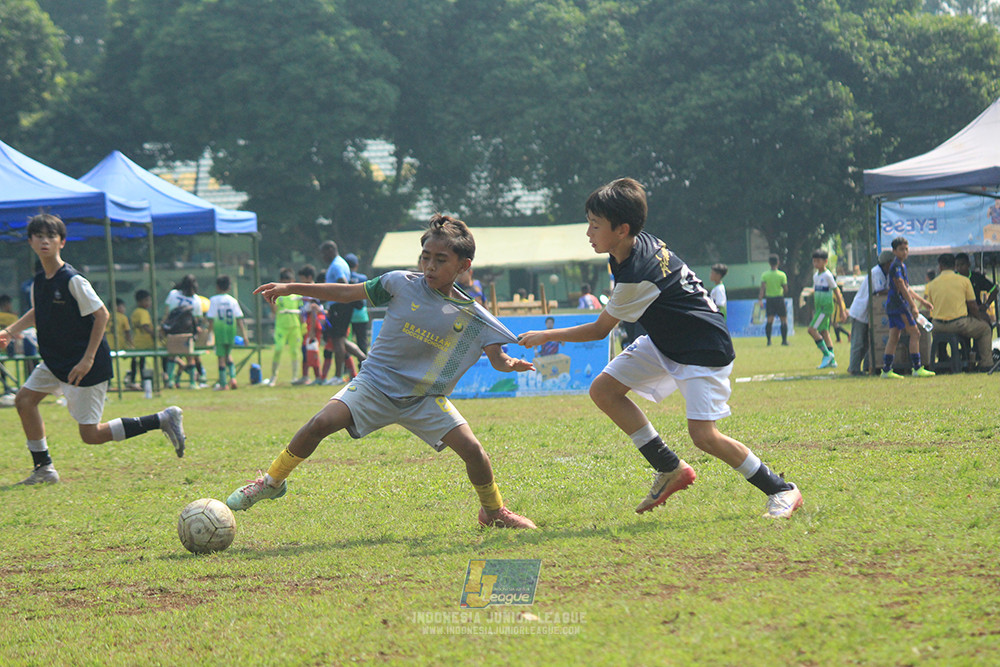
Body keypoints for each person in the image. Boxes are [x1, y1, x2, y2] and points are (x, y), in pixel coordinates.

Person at [226, 214, 538, 529]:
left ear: (463, 265)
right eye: (425, 257)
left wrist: (512, 364)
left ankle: (494, 512)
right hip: (374, 384)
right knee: (319, 424)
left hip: (423, 397)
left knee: (474, 452)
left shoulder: (475, 317)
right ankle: (272, 482)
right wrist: (292, 287)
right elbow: (347, 293)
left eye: (440, 260)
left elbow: (498, 358)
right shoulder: (399, 283)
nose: (429, 265)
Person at [518, 178, 803, 519]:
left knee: (704, 436)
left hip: (702, 348)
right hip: (666, 341)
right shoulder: (631, 247)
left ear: (622, 229)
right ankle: (670, 467)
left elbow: (598, 331)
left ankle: (781, 489)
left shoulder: (637, 273)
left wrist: (546, 335)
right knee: (605, 390)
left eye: (595, 226)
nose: (588, 233)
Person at [0, 214, 186, 485]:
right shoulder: (40, 281)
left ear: (62, 242)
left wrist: (87, 359)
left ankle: (162, 418)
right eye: (39, 235)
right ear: (30, 241)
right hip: (56, 361)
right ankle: (44, 469)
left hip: (84, 363)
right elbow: (39, 312)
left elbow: (102, 315)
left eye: (51, 236)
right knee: (24, 401)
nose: (45, 241)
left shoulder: (72, 279)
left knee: (91, 435)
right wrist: (8, 332)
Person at [925, 253, 994, 372]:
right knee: (985, 329)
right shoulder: (964, 281)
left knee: (939, 335)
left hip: (937, 326)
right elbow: (972, 305)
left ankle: (942, 360)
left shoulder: (931, 284)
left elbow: (928, 307)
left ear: (940, 266)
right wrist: (979, 318)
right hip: (959, 324)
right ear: (954, 266)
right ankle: (986, 364)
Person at [881, 237, 935, 378]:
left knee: (894, 336)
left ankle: (886, 370)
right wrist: (912, 306)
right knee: (915, 333)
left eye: (906, 249)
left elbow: (907, 288)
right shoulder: (896, 266)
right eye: (901, 249)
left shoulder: (901, 266)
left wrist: (922, 301)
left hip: (893, 305)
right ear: (894, 251)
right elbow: (901, 286)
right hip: (899, 305)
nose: (904, 252)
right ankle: (917, 368)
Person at [846, 251, 893, 376]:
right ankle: (854, 368)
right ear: (887, 263)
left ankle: (865, 366)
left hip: (869, 313)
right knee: (858, 342)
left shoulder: (885, 273)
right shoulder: (876, 273)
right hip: (861, 311)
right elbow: (879, 291)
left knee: (867, 343)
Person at [319, 240, 356, 385]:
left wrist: (330, 296)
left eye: (323, 253)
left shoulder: (337, 265)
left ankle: (338, 375)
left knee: (338, 341)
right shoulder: (339, 263)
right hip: (339, 305)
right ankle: (363, 359)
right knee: (341, 340)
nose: (323, 257)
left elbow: (342, 282)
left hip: (339, 306)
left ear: (330, 250)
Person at [207, 275, 249, 390]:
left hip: (219, 331)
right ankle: (233, 378)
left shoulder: (214, 300)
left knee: (221, 357)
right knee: (228, 354)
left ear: (217, 287)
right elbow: (239, 319)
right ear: (229, 287)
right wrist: (245, 336)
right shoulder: (233, 300)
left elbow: (210, 319)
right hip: (231, 331)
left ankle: (223, 384)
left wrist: (209, 334)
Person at [806, 249, 847, 369]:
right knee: (824, 332)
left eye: (818, 261)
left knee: (811, 330)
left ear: (825, 261)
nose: (816, 264)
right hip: (819, 308)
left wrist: (842, 310)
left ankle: (826, 354)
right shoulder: (816, 276)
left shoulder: (828, 275)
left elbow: (837, 292)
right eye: (814, 261)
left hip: (825, 308)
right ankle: (832, 359)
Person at [163, 274, 205, 389]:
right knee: (189, 356)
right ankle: (192, 382)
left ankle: (170, 381)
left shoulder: (173, 294)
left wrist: (163, 327)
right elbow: (197, 318)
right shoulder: (196, 299)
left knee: (172, 355)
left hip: (173, 330)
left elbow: (167, 313)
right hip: (188, 331)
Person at [267, 268, 303, 386]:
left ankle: (294, 377)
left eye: (289, 281)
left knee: (295, 351)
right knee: (278, 349)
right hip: (281, 326)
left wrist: (304, 325)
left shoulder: (297, 295)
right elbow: (274, 310)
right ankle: (273, 377)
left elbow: (302, 310)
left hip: (295, 327)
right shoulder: (278, 294)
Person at [955, 253, 997, 326]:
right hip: (959, 313)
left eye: (962, 264)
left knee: (986, 324)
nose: (959, 268)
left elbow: (995, 289)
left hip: (977, 312)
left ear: (968, 264)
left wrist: (986, 305)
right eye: (957, 265)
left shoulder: (976, 277)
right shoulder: (954, 278)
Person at [344, 253, 372, 363]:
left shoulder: (344, 277)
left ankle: (347, 369)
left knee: (346, 342)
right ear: (356, 265)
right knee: (362, 343)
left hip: (346, 315)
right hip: (360, 315)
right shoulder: (362, 278)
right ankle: (363, 368)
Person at [758, 254, 788, 345]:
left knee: (769, 320)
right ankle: (784, 341)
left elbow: (762, 288)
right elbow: (785, 288)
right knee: (783, 319)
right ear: (778, 262)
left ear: (769, 263)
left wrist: (760, 299)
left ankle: (769, 341)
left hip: (769, 299)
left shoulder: (765, 275)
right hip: (779, 298)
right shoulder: (782, 275)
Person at [130, 290, 155, 389]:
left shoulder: (135, 312)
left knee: (137, 362)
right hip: (144, 342)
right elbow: (145, 326)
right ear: (139, 302)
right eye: (146, 300)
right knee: (141, 363)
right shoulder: (143, 312)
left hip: (137, 340)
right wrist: (154, 334)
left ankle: (133, 380)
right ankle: (144, 381)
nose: (149, 303)